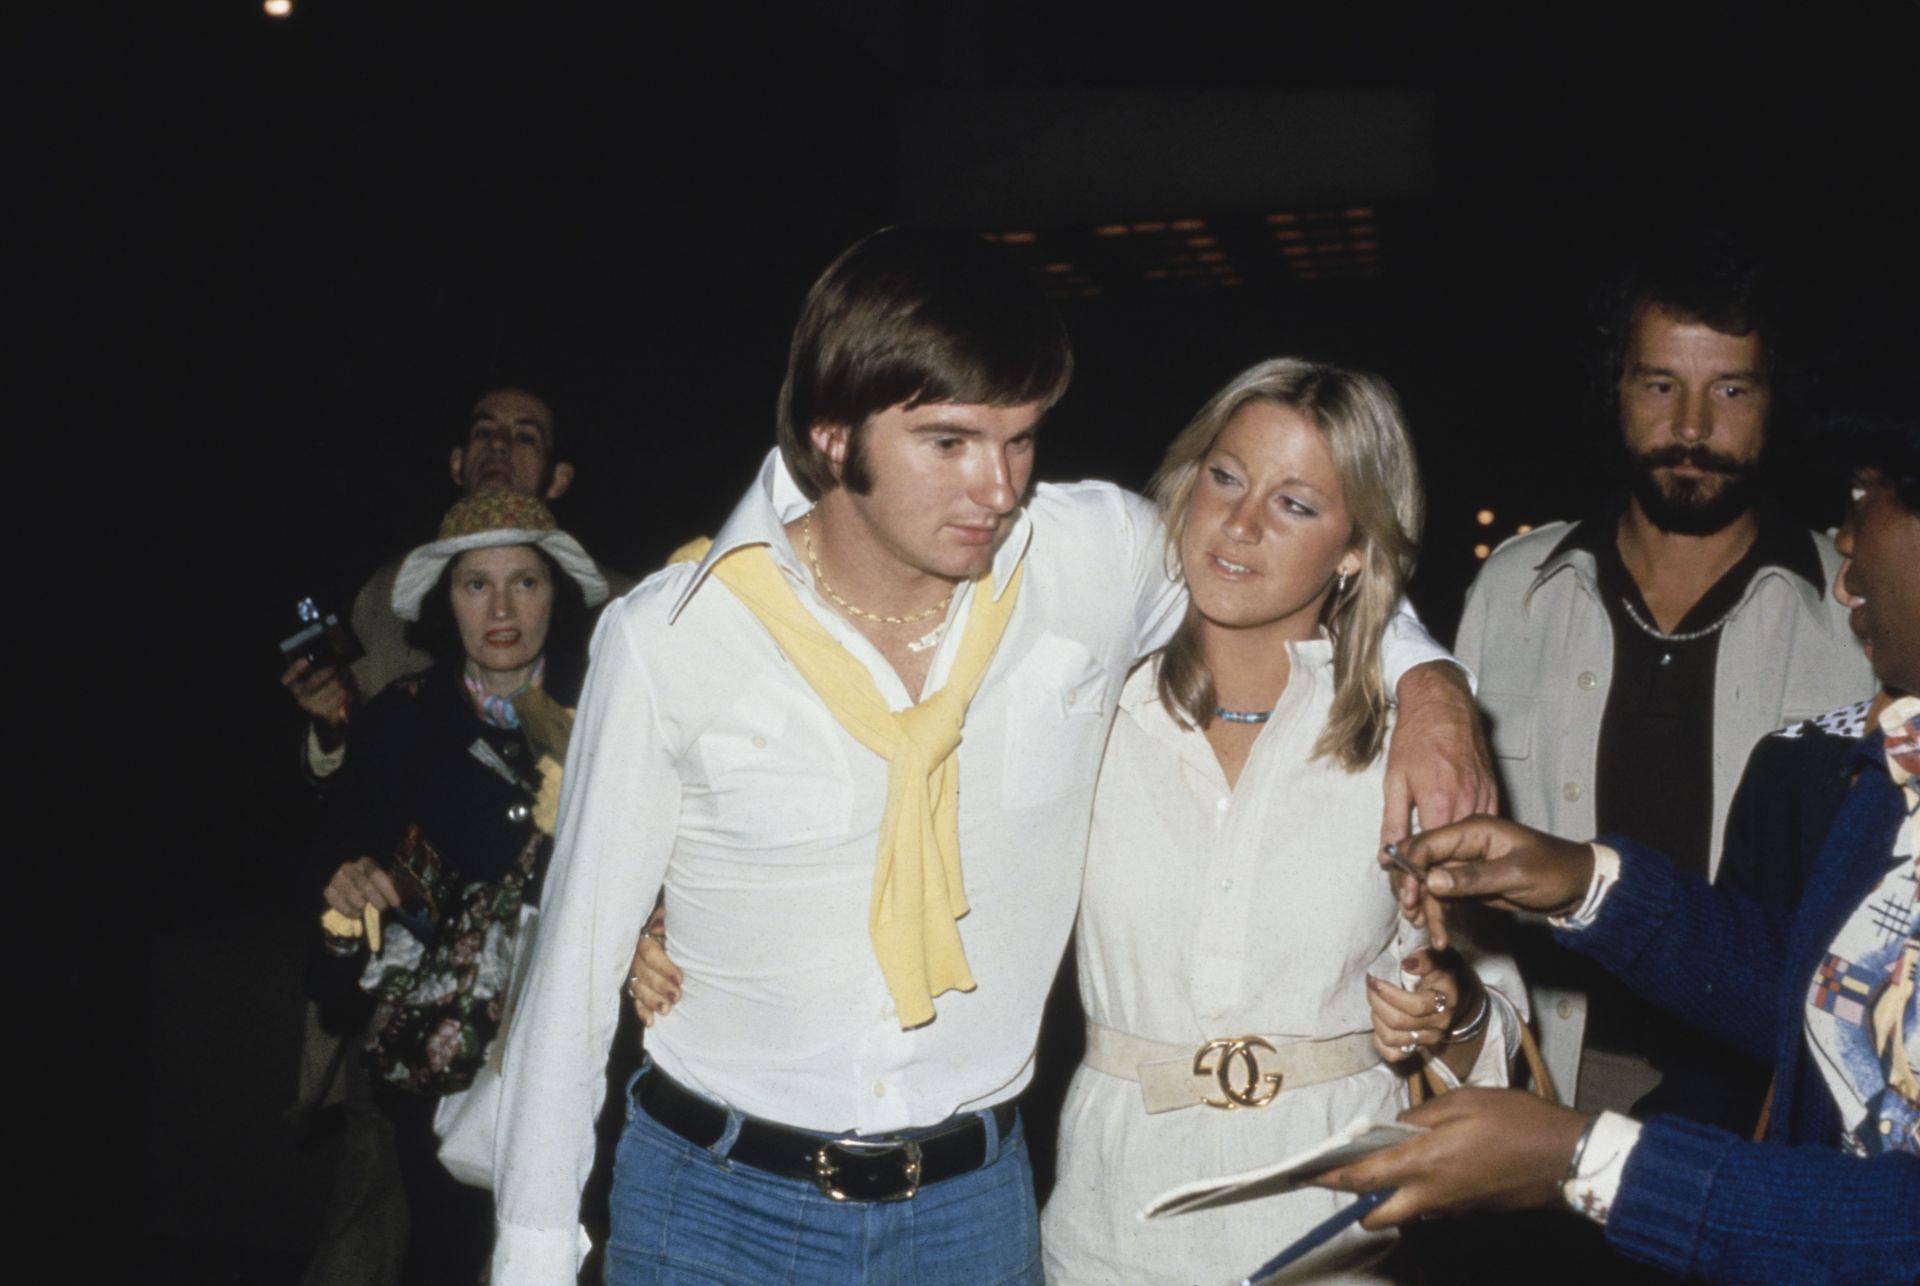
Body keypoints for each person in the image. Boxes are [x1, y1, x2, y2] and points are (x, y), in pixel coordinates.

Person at [490, 227, 1494, 1285]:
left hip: (970, 1215)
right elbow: (570, 981)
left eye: (1021, 439)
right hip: (716, 1204)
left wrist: (1433, 686)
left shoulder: (1087, 556)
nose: (999, 488)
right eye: (951, 443)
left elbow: (1293, 555)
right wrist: (531, 1259)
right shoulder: (675, 636)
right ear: (834, 437)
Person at [1322, 420, 1920, 1283]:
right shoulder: (1888, 767)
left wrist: (1586, 1160)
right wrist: (1580, 882)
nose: (1846, 539)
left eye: (1873, 495)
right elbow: (1818, 989)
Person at [1037, 358, 1525, 1283]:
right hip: (1109, 1226)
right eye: (1226, 477)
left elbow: (1494, 1026)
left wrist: (1447, 1009)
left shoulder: (1411, 744)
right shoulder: (1090, 704)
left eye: (1297, 504)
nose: (1243, 522)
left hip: (1333, 1228)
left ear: (1354, 548)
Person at [1456, 243, 1874, 1111]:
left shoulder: (1858, 614)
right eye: (1658, 386)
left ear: (1774, 400)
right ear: (1615, 391)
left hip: (1768, 1099)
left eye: (1730, 389)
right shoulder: (1514, 588)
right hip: (1547, 1077)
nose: (1691, 428)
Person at [308, 491, 608, 1286]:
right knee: (442, 1255)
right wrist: (347, 910)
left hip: (584, 1057)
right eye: (477, 585)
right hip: (441, 1066)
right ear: (447, 599)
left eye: (525, 582)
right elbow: (333, 938)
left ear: (557, 592)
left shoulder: (611, 708)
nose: (502, 608)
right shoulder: (396, 726)